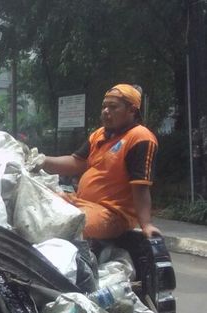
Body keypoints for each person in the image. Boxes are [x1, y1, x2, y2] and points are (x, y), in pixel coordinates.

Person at [33, 84, 161, 239]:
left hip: (110, 213)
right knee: (36, 206)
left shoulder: (140, 138)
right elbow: (76, 162)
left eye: (113, 107)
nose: (106, 111)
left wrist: (146, 224)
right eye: (104, 107)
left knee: (66, 226)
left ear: (132, 111)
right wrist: (42, 160)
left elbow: (140, 187)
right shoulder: (99, 134)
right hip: (80, 202)